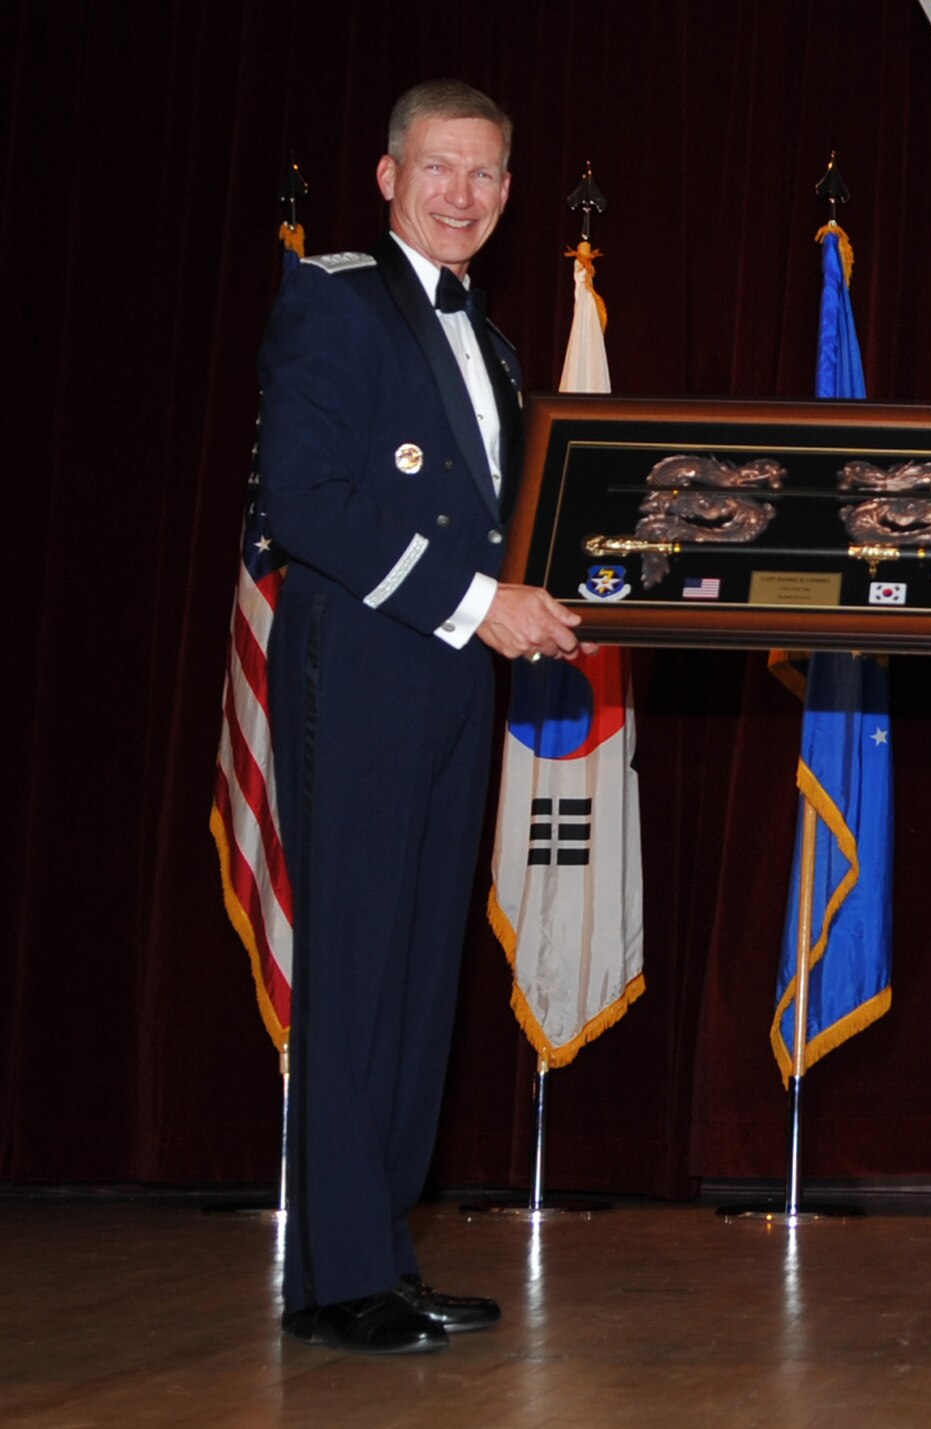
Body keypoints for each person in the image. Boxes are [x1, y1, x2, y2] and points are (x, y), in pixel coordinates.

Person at [259, 79, 588, 1355]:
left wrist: (581, 581)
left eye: (487, 175)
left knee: (417, 969)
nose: (462, 194)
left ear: (509, 194)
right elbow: (308, 502)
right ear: (388, 176)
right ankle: (338, 1274)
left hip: (456, 668)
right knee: (355, 965)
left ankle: (381, 1253)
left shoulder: (496, 341)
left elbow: (515, 519)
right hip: (370, 659)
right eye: (439, 169)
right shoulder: (333, 299)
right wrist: (477, 601)